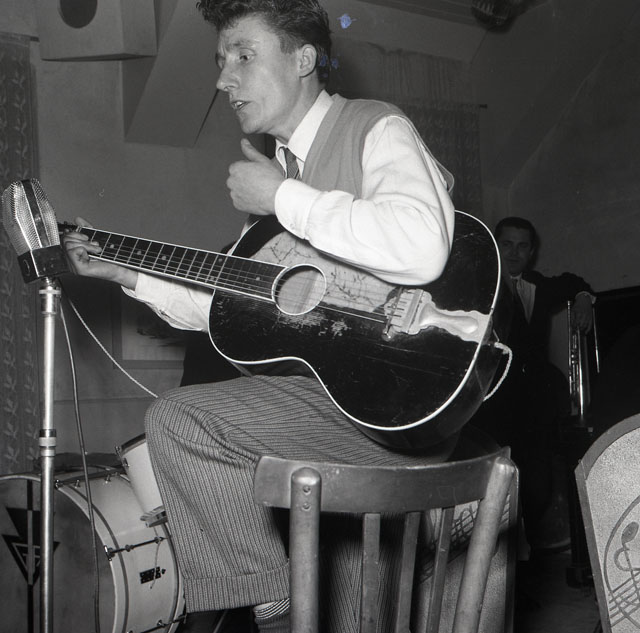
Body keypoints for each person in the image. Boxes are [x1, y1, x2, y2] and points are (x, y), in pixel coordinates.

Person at [62, 1, 477, 631]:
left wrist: (284, 197)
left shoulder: (373, 127)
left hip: (401, 411)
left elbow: (423, 245)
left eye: (244, 55)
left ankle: (277, 611)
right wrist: (125, 273)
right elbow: (228, 307)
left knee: (181, 420)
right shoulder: (279, 179)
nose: (222, 78)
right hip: (332, 412)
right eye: (220, 60)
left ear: (304, 58)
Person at [471, 216, 593, 550]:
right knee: (495, 487)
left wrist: (583, 297)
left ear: (531, 252)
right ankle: (501, 567)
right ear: (496, 246)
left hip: (534, 405)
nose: (514, 253)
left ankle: (526, 558)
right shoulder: (478, 285)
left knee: (537, 485)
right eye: (507, 244)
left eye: (522, 246)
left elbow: (573, 282)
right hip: (493, 405)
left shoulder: (538, 284)